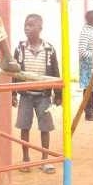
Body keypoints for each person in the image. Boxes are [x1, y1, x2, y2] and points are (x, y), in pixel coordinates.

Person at [11, 14, 61, 175]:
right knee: (24, 126)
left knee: (44, 127)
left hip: (44, 96)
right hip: (26, 96)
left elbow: (55, 72)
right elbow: (15, 72)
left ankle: (44, 159)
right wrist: (13, 93)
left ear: (40, 29)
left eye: (31, 25)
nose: (27, 28)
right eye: (25, 25)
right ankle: (26, 159)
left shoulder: (49, 49)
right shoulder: (19, 49)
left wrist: (58, 94)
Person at [78, 10, 93, 121]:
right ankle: (88, 113)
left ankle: (92, 110)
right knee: (89, 88)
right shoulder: (86, 32)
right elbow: (82, 50)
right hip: (87, 64)